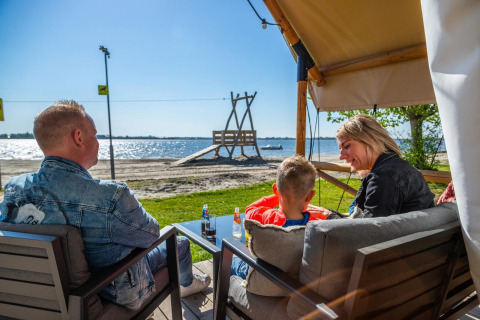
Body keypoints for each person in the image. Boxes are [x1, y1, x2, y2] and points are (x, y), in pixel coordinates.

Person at [0, 100, 210, 310]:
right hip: (113, 293)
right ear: (79, 137)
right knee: (177, 241)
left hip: (43, 301)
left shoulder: (13, 189)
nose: (98, 141)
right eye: (95, 134)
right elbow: (151, 235)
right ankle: (188, 284)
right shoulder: (110, 196)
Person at [231, 155, 328, 279]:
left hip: (262, 278)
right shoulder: (317, 226)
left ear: (275, 190)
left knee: (232, 263)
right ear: (310, 196)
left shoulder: (267, 218)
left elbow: (250, 209)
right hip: (294, 281)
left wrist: (279, 195)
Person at [322, 114, 435, 219]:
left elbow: (368, 232)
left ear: (370, 139)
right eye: (340, 149)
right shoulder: (399, 167)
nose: (341, 156)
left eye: (346, 146)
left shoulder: (384, 178)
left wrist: (327, 216)